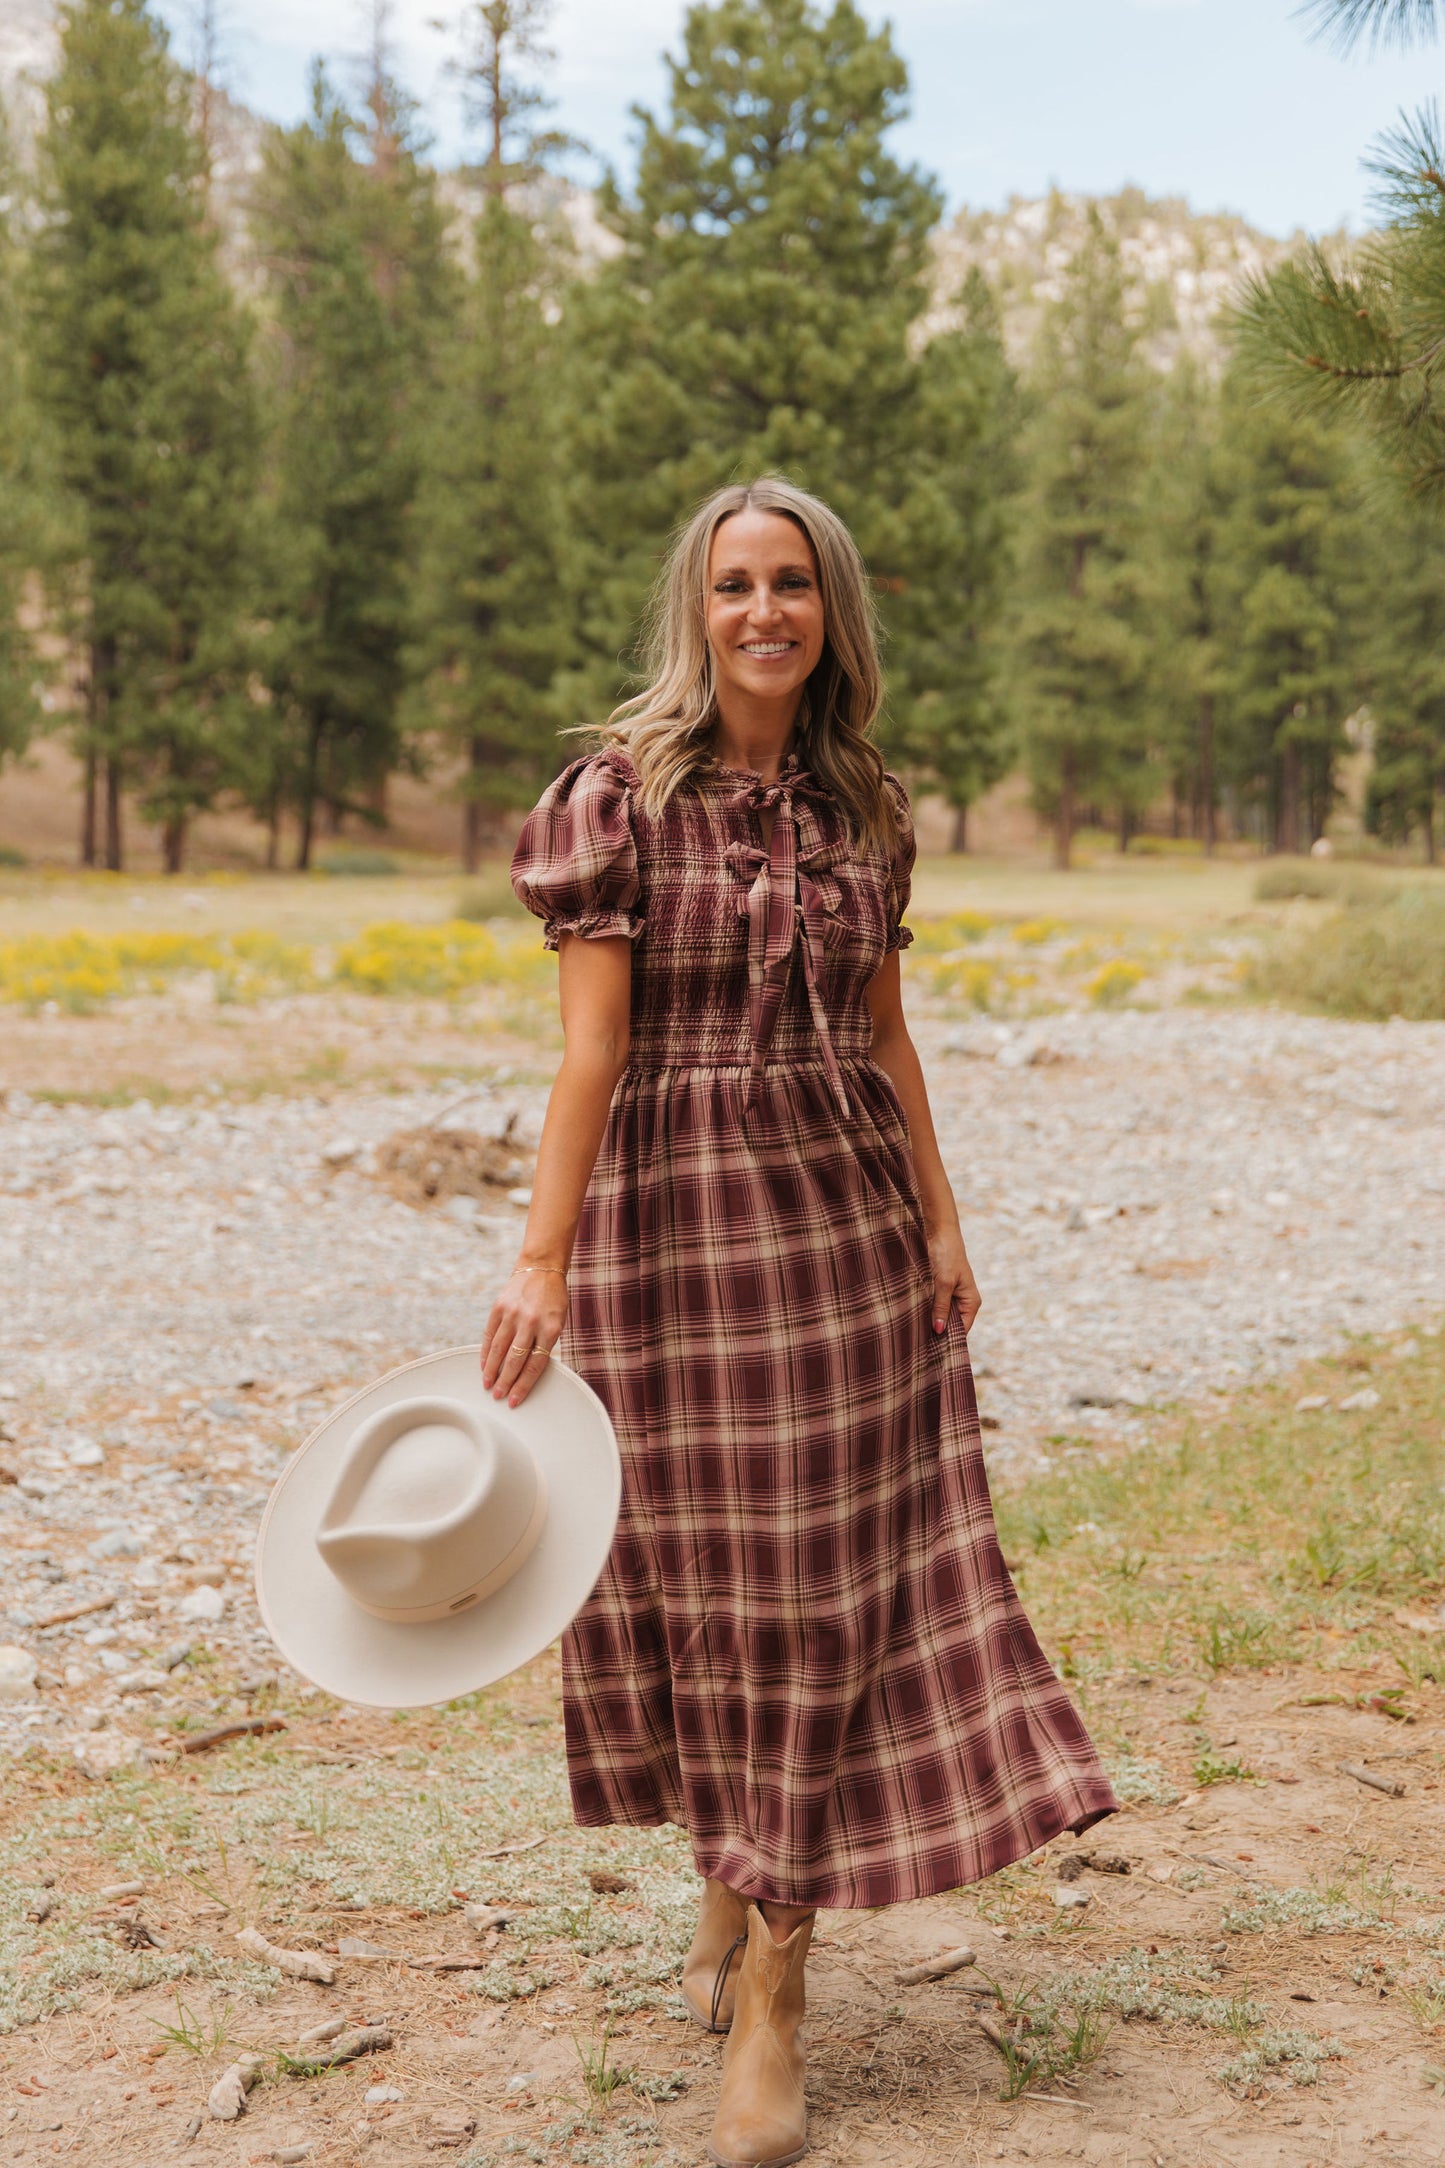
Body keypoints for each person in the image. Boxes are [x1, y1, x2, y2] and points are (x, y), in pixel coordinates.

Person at [484, 477, 1117, 2168]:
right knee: (704, 1574)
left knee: (815, 1586)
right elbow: (590, 1054)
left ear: (830, 610)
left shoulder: (864, 810)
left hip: (837, 1224)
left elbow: (888, 1036)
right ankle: (726, 1861)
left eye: (790, 586)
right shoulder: (616, 798)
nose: (760, 612)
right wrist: (541, 1263)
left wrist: (942, 1212)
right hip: (673, 1230)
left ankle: (776, 1988)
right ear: (695, 612)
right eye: (730, 586)